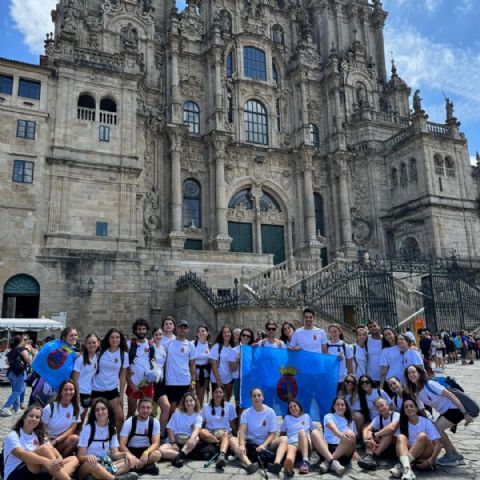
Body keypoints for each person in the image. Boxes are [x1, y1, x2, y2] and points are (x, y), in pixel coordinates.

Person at [405, 364, 471, 466]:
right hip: (446, 412)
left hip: (455, 409)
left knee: (437, 429)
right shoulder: (417, 391)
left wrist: (465, 413)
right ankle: (457, 456)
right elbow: (421, 407)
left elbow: (451, 395)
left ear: (419, 373)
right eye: (409, 373)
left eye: (413, 372)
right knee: (436, 428)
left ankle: (450, 456)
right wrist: (427, 420)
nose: (411, 374)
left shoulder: (430, 384)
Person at [2, 403, 79, 480]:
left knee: (73, 459)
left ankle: (58, 477)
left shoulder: (39, 434)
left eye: (37, 417)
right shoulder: (14, 435)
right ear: (24, 417)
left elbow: (52, 449)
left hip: (36, 472)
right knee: (44, 449)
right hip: (16, 474)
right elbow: (22, 455)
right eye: (31, 416)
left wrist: (59, 458)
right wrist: (45, 461)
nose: (34, 419)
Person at [77, 397, 138, 480]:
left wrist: (126, 454)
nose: (100, 412)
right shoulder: (88, 429)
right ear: (94, 413)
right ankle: (114, 478)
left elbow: (115, 454)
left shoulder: (111, 429)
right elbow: (80, 456)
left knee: (128, 461)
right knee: (91, 464)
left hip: (105, 464)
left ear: (108, 411)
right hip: (88, 466)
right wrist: (88, 457)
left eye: (103, 409)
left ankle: (100, 476)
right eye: (97, 410)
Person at [230, 387, 287, 475]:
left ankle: (276, 464)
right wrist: (241, 444)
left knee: (284, 439)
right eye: (254, 396)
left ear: (263, 397)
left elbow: (272, 434)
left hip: (266, 443)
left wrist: (264, 445)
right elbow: (242, 431)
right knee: (232, 440)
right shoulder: (246, 413)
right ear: (251, 399)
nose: (257, 398)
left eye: (259, 395)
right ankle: (249, 465)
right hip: (250, 443)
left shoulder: (270, 412)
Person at [390, 397, 441, 480]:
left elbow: (438, 444)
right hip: (412, 455)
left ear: (416, 409)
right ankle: (407, 469)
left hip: (425, 454)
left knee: (422, 436)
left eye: (411, 406)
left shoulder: (426, 422)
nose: (409, 408)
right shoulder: (402, 423)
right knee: (400, 437)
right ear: (404, 411)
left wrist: (431, 460)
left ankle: (401, 466)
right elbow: (398, 443)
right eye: (406, 407)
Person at [91, 328, 130, 434]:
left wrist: (121, 395)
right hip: (97, 389)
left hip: (112, 390)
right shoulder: (100, 352)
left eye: (117, 337)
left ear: (121, 339)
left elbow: (123, 376)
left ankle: (118, 443)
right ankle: (96, 440)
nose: (115, 340)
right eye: (112, 337)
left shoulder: (124, 354)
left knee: (120, 418)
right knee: (97, 418)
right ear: (108, 339)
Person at [119, 397, 161, 475]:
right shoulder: (129, 421)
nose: (145, 410)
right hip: (131, 450)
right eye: (143, 407)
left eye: (148, 408)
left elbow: (156, 443)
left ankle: (135, 467)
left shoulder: (155, 422)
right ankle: (144, 467)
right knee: (123, 459)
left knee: (157, 454)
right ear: (138, 409)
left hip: (146, 451)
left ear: (151, 409)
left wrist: (146, 453)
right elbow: (122, 444)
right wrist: (131, 456)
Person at [159, 392, 203, 468]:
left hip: (188, 442)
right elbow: (170, 429)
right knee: (161, 450)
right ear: (183, 403)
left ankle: (178, 456)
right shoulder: (177, 414)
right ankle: (181, 455)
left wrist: (192, 438)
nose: (189, 403)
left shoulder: (198, 416)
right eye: (186, 401)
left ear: (195, 402)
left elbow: (197, 429)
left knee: (196, 438)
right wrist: (173, 443)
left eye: (191, 400)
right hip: (175, 440)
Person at [199, 384, 237, 468]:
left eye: (220, 392)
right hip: (211, 435)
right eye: (216, 392)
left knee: (225, 435)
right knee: (201, 431)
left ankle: (222, 456)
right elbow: (202, 424)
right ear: (212, 394)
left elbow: (232, 424)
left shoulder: (229, 406)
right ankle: (219, 443)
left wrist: (234, 433)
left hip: (224, 433)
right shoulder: (206, 406)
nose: (218, 394)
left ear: (223, 394)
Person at [164, 320, 197, 415]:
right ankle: (170, 428)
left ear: (187, 330)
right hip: (171, 381)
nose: (182, 329)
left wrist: (193, 382)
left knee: (184, 406)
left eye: (185, 327)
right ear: (176, 329)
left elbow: (192, 365)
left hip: (185, 380)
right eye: (181, 327)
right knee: (172, 408)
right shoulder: (168, 343)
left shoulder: (190, 345)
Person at [320, 396, 358, 476]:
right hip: (329, 448)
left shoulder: (350, 420)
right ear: (334, 406)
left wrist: (355, 451)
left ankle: (328, 462)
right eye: (337, 404)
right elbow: (334, 429)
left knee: (351, 433)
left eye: (342, 405)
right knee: (315, 433)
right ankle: (334, 463)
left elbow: (353, 437)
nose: (340, 407)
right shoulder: (328, 416)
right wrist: (340, 435)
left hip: (344, 450)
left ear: (346, 407)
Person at [358, 397, 399, 470]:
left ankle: (374, 457)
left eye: (382, 405)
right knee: (369, 432)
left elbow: (392, 428)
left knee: (388, 433)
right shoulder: (378, 418)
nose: (380, 408)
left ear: (387, 405)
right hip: (383, 446)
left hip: (395, 447)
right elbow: (367, 429)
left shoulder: (396, 415)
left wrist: (375, 435)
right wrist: (366, 439)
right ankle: (369, 456)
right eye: (377, 407)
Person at [42, 379, 80, 456]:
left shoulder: (75, 408)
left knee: (75, 438)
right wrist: (48, 441)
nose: (68, 392)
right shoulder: (50, 408)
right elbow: (43, 429)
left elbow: (72, 429)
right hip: (48, 440)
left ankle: (63, 458)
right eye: (65, 389)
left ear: (75, 392)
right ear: (61, 392)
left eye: (71, 389)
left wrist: (56, 440)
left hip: (62, 440)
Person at [126, 318, 156, 418]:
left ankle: (147, 432)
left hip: (147, 383)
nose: (141, 331)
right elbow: (125, 367)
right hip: (133, 383)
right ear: (135, 330)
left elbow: (153, 363)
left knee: (147, 413)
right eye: (139, 329)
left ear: (147, 330)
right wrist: (130, 383)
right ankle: (128, 433)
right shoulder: (129, 344)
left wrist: (154, 375)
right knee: (131, 413)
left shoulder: (151, 345)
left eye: (143, 329)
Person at [72, 332, 101, 423]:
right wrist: (77, 396)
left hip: (88, 393)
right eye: (89, 343)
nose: (92, 345)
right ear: (85, 344)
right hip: (78, 393)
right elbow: (74, 378)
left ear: (98, 343)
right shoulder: (80, 358)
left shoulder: (96, 357)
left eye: (94, 342)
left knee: (81, 422)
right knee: (73, 422)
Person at [0, 335, 31, 416]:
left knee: (15, 391)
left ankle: (17, 409)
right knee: (19, 390)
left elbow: (7, 362)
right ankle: (6, 407)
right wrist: (30, 352)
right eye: (24, 340)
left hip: (10, 373)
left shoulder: (11, 350)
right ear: (20, 341)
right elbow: (28, 359)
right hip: (19, 372)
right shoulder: (21, 349)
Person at [281, 399, 313, 475]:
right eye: (290, 407)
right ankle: (289, 466)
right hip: (292, 443)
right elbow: (282, 433)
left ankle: (305, 462)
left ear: (299, 407)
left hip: (304, 444)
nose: (293, 408)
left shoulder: (306, 416)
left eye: (295, 406)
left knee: (302, 432)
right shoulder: (287, 418)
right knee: (291, 449)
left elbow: (313, 431)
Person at [151, 327, 169, 437]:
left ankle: (161, 434)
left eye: (160, 334)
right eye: (156, 334)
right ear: (153, 336)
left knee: (166, 407)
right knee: (149, 410)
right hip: (151, 382)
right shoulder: (150, 347)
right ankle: (147, 433)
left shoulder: (163, 348)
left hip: (160, 382)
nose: (158, 336)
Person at [209, 325, 235, 400]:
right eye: (224, 332)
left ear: (231, 334)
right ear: (222, 334)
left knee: (227, 402)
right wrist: (218, 380)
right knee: (217, 401)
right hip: (217, 379)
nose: (227, 334)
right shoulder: (216, 347)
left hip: (229, 379)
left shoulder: (232, 347)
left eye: (228, 332)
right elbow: (213, 364)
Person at [232, 328, 255, 408]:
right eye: (244, 335)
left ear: (250, 338)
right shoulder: (234, 350)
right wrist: (237, 360)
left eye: (248, 336)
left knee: (250, 404)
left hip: (250, 380)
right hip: (238, 380)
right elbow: (233, 369)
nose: (245, 337)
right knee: (239, 405)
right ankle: (239, 420)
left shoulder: (253, 350)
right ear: (240, 336)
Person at [192, 324, 211, 407]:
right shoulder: (192, 344)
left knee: (200, 397)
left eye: (203, 331)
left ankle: (199, 416)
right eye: (199, 331)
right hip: (192, 375)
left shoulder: (210, 346)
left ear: (207, 333)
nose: (201, 333)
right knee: (190, 396)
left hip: (204, 375)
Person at [379, 327, 401, 395]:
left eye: (389, 334)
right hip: (392, 383)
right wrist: (381, 388)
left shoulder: (402, 346)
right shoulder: (385, 351)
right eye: (385, 335)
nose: (388, 336)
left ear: (394, 334)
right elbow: (383, 372)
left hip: (405, 380)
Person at [366, 321, 383, 386]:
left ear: (379, 326)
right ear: (368, 329)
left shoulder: (385, 339)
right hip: (371, 376)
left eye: (374, 326)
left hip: (385, 375)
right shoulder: (367, 339)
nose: (373, 328)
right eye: (370, 327)